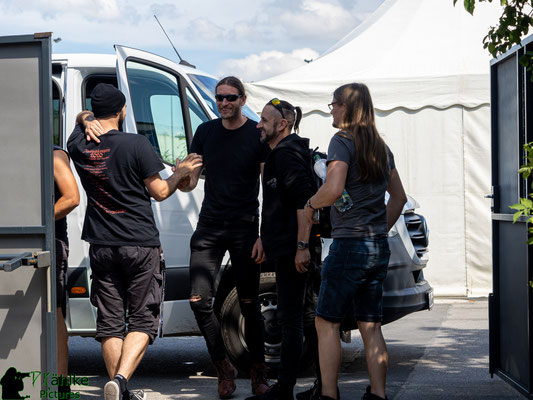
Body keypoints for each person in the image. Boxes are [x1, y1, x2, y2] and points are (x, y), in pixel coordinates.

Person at [67, 83, 203, 400]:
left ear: (94, 113)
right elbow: (160, 191)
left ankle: (120, 393)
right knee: (142, 319)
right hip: (140, 243)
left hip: (101, 245)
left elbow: (78, 118)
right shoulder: (136, 144)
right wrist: (180, 171)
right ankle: (121, 380)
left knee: (110, 323)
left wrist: (85, 117)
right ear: (122, 111)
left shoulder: (79, 143)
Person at [303, 83, 407, 400]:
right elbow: (399, 198)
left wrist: (310, 206)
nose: (330, 109)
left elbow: (333, 188)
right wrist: (377, 229)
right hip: (377, 247)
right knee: (371, 326)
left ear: (347, 107)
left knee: (326, 322)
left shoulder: (342, 141)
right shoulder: (380, 147)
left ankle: (329, 395)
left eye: (334, 104)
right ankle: (378, 395)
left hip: (349, 246)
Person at [177, 76, 271, 399]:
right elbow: (191, 183)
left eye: (230, 98)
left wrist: (264, 235)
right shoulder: (206, 133)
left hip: (245, 228)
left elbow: (268, 186)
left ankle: (258, 372)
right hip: (211, 226)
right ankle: (223, 367)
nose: (223, 103)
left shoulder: (256, 134)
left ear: (242, 100)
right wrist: (182, 176)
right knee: (199, 302)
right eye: (219, 98)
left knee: (248, 304)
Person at [245, 99, 320, 400]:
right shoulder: (282, 152)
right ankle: (322, 386)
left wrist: (302, 247)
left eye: (264, 120)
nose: (258, 124)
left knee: (294, 319)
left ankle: (286, 389)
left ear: (282, 124)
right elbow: (278, 204)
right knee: (306, 318)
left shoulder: (287, 154)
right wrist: (266, 236)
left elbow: (306, 203)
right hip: (287, 246)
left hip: (295, 250)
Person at [53, 145, 80, 396]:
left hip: (50, 242)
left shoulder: (54, 155)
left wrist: (37, 221)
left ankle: (61, 384)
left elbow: (72, 197)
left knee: (55, 311)